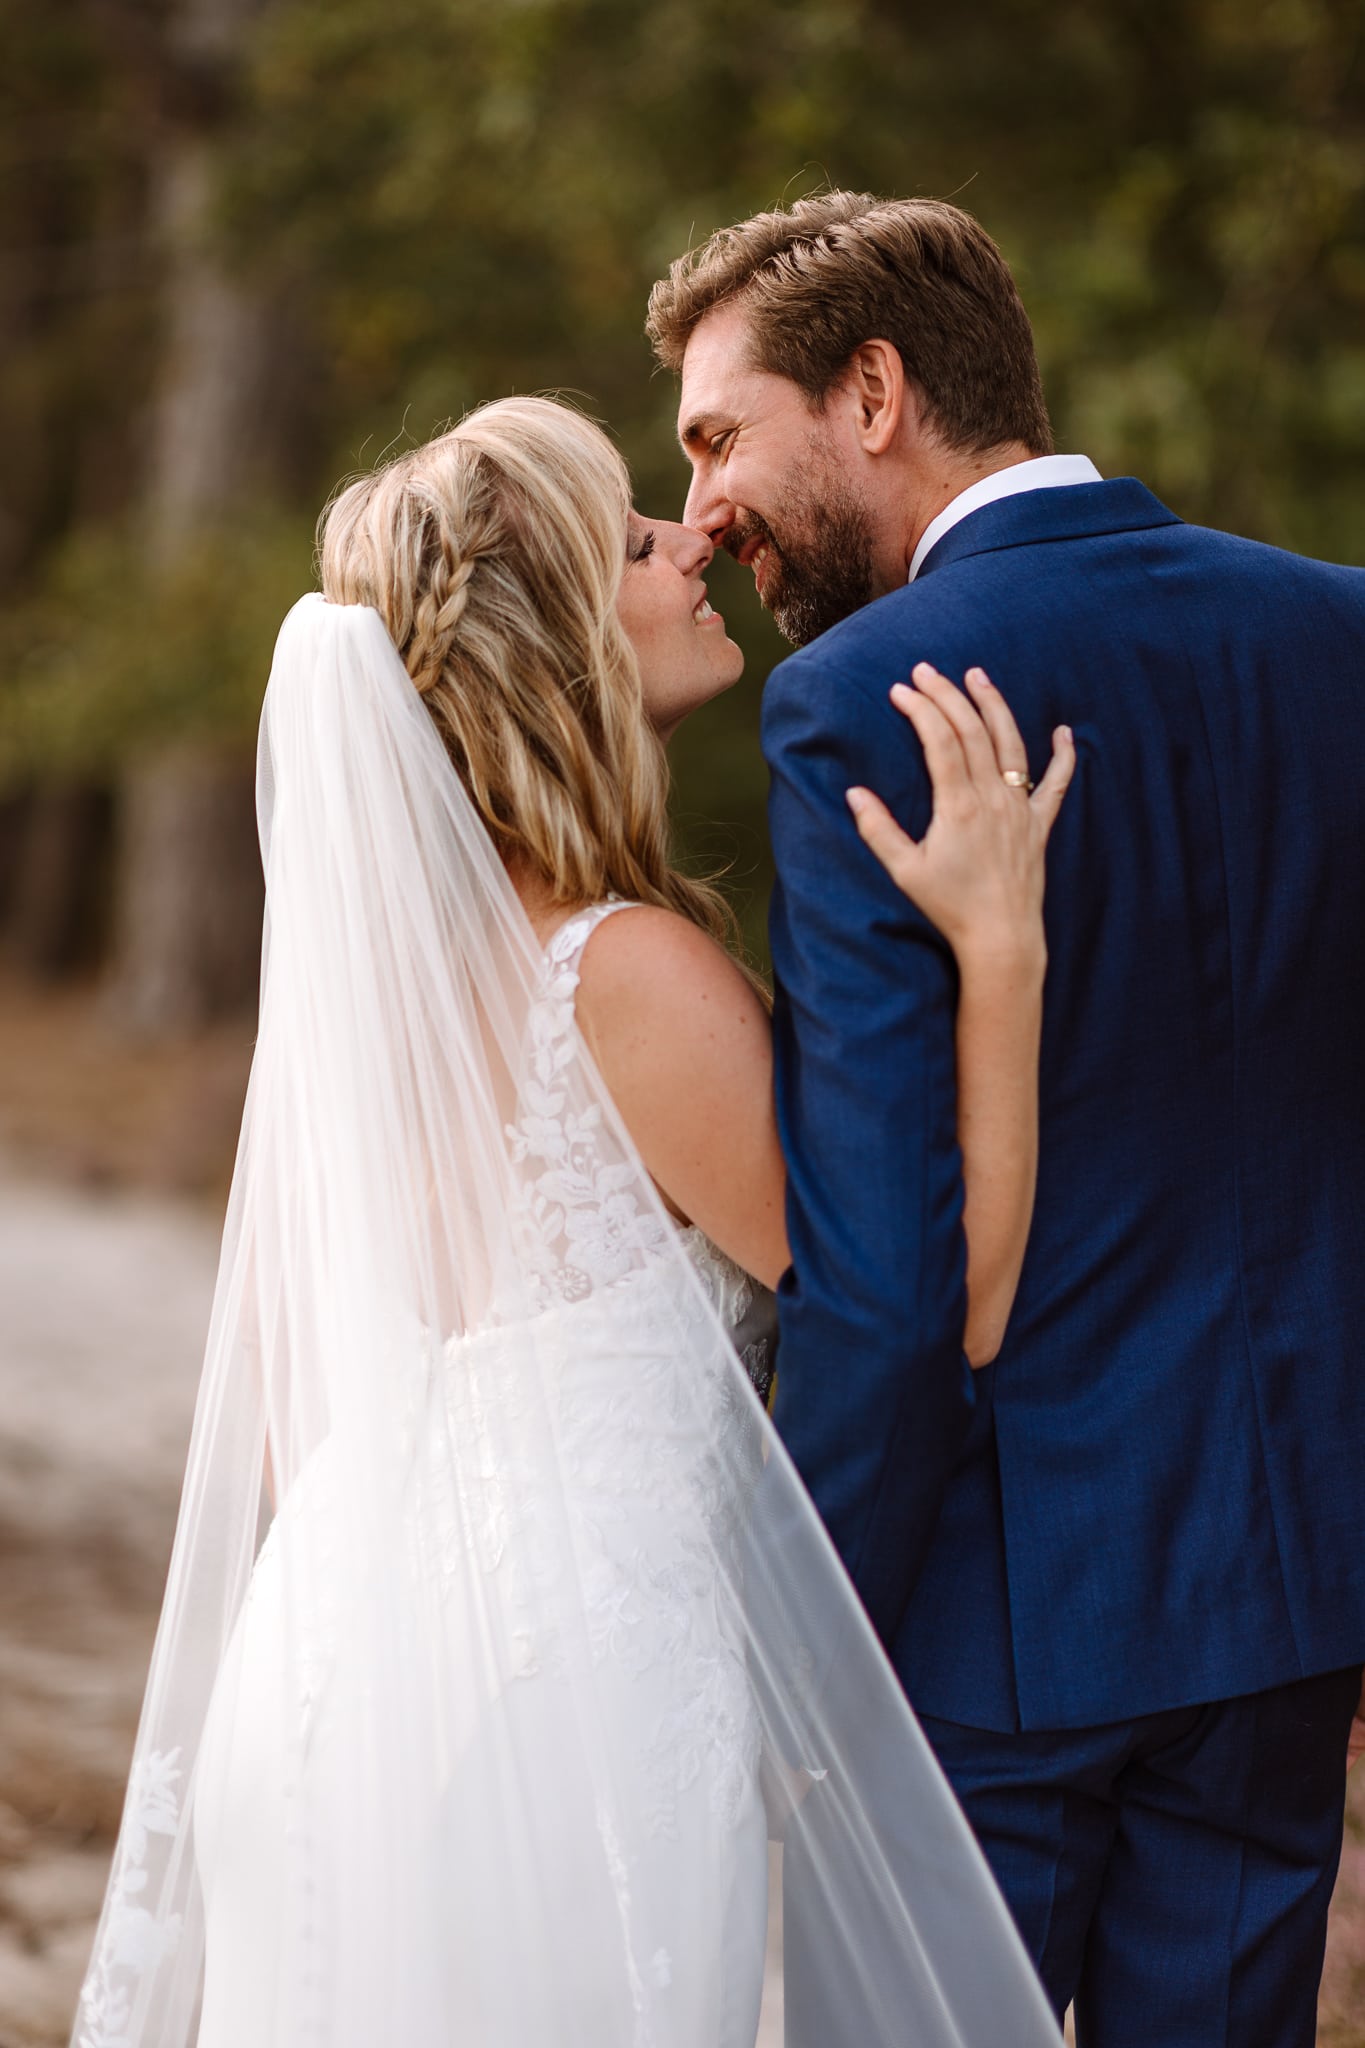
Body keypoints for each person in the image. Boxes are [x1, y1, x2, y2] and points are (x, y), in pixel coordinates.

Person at [73, 396, 1070, 2048]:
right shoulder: (617, 976)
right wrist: (1004, 956)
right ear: (554, 641)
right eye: (632, 539)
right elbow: (939, 1305)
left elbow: (287, 1432)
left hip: (325, 1670)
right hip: (560, 1719)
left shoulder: (363, 1020)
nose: (697, 545)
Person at [648, 189, 1365, 2048]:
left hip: (982, 1619)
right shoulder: (1336, 637)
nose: (707, 506)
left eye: (721, 435)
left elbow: (884, 1273)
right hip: (1287, 1596)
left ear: (870, 391)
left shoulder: (858, 701)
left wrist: (817, 1649)